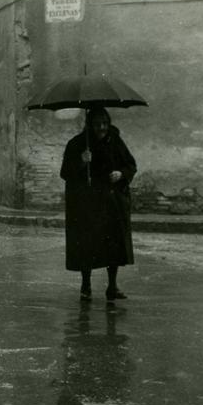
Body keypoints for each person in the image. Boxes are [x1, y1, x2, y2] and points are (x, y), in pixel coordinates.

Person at [60, 107, 137, 301]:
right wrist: (81, 162)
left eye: (104, 123)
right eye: (97, 124)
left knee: (114, 245)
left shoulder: (115, 141)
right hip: (88, 204)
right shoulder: (77, 144)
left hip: (111, 203)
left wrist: (121, 174)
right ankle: (86, 286)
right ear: (89, 125)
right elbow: (65, 173)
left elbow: (130, 165)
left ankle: (112, 286)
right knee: (87, 245)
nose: (101, 128)